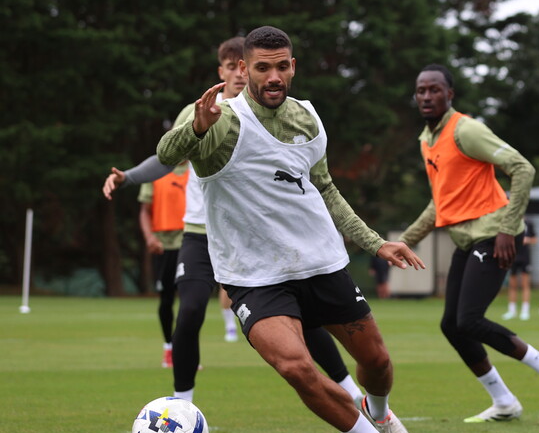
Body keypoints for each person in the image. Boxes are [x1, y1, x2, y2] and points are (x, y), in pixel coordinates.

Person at [158, 26, 423, 433]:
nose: (274, 76)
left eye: (282, 66)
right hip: (254, 276)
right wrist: (195, 128)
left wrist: (375, 243)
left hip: (320, 263)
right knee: (297, 368)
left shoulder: (308, 119)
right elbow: (165, 155)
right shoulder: (221, 121)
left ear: (293, 67)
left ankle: (378, 413)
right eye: (262, 68)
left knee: (377, 362)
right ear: (244, 70)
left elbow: (326, 189)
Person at [104, 37, 365, 407]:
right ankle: (182, 406)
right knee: (190, 310)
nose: (240, 75)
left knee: (302, 316)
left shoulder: (273, 115)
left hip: (255, 236)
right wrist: (128, 177)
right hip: (201, 233)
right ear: (226, 70)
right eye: (232, 67)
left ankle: (353, 393)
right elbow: (167, 158)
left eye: (256, 67)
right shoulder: (200, 111)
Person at [399, 64, 539, 423]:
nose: (426, 96)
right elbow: (440, 203)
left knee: (470, 319)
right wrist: (402, 242)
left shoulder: (466, 130)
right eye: (421, 90)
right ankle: (504, 401)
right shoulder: (426, 140)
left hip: (495, 234)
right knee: (452, 325)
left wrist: (508, 229)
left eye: (434, 90)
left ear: (450, 95)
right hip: (468, 240)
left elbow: (523, 168)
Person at [137, 160, 188, 367]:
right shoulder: (155, 171)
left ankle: (186, 352)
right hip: (163, 245)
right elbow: (144, 210)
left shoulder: (198, 168)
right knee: (166, 299)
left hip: (191, 242)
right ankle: (169, 348)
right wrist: (149, 237)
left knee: (191, 301)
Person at [502, 217, 537, 321]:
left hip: (525, 257)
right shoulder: (510, 221)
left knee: (525, 284)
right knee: (512, 285)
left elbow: (535, 239)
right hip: (513, 256)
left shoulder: (528, 223)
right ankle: (511, 311)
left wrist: (527, 240)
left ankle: (525, 311)